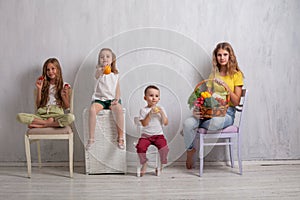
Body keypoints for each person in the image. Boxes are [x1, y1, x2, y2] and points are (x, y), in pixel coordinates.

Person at [183, 42, 244, 169]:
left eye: (225, 54)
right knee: (188, 123)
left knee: (215, 123)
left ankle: (198, 126)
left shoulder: (236, 75)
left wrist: (226, 87)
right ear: (216, 57)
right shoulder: (213, 75)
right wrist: (198, 110)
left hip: (227, 113)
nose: (222, 57)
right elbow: (207, 97)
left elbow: (237, 101)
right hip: (210, 112)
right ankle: (190, 150)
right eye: (219, 55)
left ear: (230, 56)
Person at [17, 58, 75, 128]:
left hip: (57, 115)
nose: (50, 72)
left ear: (58, 69)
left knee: (70, 117)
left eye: (53, 68)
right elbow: (38, 105)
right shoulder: (43, 85)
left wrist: (63, 96)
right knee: (19, 116)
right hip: (42, 115)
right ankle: (47, 123)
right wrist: (39, 89)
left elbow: (67, 107)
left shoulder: (64, 85)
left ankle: (43, 125)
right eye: (48, 70)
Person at [86, 48, 125, 150]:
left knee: (119, 110)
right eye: (101, 57)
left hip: (112, 100)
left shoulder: (115, 74)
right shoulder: (99, 71)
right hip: (100, 99)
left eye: (107, 56)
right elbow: (97, 75)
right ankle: (91, 138)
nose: (104, 58)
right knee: (92, 110)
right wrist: (102, 70)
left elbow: (117, 89)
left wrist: (117, 98)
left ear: (112, 59)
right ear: (99, 60)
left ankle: (120, 137)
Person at [136, 85, 169, 176]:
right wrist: (150, 114)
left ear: (159, 99)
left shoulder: (161, 109)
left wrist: (161, 113)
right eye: (151, 95)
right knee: (140, 148)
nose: (154, 98)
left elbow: (165, 123)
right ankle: (144, 162)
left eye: (156, 96)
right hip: (146, 136)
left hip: (159, 135)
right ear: (145, 98)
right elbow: (144, 124)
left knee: (164, 148)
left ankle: (160, 165)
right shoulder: (143, 110)